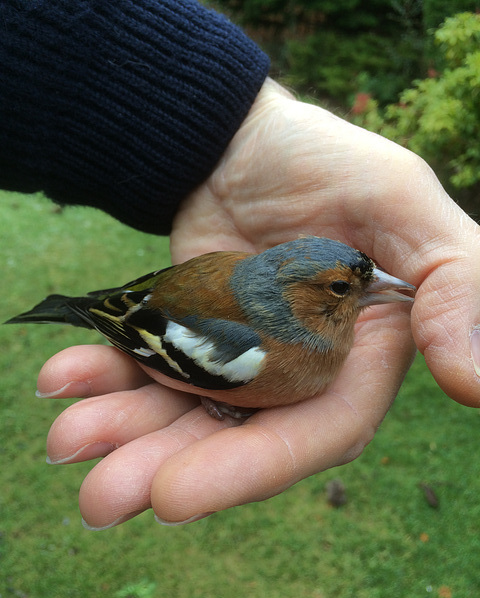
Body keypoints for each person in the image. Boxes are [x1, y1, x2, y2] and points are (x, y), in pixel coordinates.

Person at [2, 1, 479, 530]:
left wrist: (239, 126)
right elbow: (152, 322)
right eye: (345, 287)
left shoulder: (262, 288)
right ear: (300, 295)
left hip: (163, 298)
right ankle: (66, 310)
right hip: (143, 320)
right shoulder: (254, 354)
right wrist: (213, 396)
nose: (384, 286)